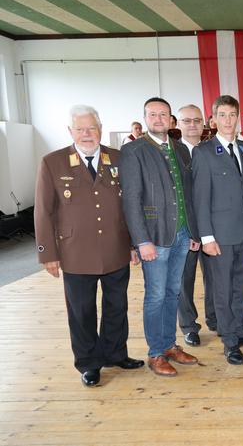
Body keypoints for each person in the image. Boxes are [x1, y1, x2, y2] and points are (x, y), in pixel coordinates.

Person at [34, 105, 143, 387]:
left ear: (100, 129)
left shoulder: (118, 158)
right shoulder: (53, 162)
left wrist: (133, 243)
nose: (86, 134)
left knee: (116, 305)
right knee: (82, 311)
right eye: (80, 129)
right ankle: (89, 363)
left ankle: (116, 353)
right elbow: (43, 211)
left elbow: (130, 205)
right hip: (76, 252)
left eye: (91, 128)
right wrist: (48, 253)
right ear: (71, 132)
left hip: (115, 248)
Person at [120, 97, 200, 377]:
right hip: (154, 238)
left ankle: (169, 345)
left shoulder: (179, 149)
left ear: (171, 120)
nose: (158, 118)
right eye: (153, 114)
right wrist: (141, 241)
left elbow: (188, 194)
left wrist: (192, 231)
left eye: (163, 114)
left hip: (180, 234)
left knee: (173, 292)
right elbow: (131, 199)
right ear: (145, 118)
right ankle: (155, 353)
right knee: (155, 295)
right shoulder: (133, 150)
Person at [192, 95, 243, 365]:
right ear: (213, 119)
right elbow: (200, 199)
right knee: (222, 290)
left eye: (232, 115)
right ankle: (229, 341)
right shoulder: (203, 152)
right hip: (219, 236)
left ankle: (240, 330)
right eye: (222, 115)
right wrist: (207, 237)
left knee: (241, 287)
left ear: (238, 117)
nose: (227, 120)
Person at [176, 104, 217, 346]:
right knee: (185, 280)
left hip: (211, 226)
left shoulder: (211, 150)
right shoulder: (171, 152)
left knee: (215, 277)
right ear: (177, 124)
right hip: (185, 229)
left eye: (196, 120)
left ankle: (215, 317)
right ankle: (189, 326)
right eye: (187, 120)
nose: (192, 125)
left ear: (204, 123)